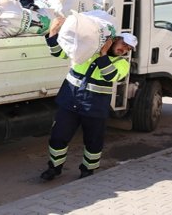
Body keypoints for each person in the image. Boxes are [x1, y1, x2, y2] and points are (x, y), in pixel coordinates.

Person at [40, 17, 137, 180]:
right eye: (123, 44)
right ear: (114, 40)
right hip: (70, 102)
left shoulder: (123, 64)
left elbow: (109, 75)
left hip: (95, 107)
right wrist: (53, 33)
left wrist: (103, 54)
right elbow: (59, 52)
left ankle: (87, 171)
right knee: (58, 136)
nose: (124, 50)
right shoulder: (86, 51)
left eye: (128, 48)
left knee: (93, 142)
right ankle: (54, 168)